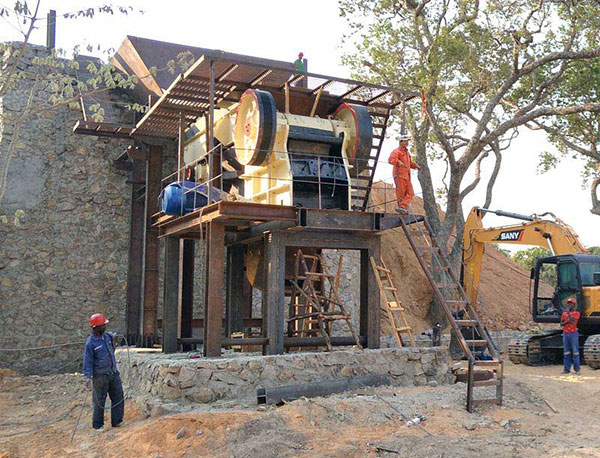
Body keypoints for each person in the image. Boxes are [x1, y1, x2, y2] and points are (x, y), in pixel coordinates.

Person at [82, 313, 125, 429]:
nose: (105, 327)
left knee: (118, 397)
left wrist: (115, 342)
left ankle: (117, 421)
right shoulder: (90, 343)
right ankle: (98, 425)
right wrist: (87, 377)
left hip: (113, 373)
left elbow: (111, 350)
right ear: (96, 327)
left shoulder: (107, 337)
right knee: (99, 401)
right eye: (103, 325)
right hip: (100, 376)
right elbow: (88, 361)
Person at [388, 135, 420, 214]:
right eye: (405, 141)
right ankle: (401, 208)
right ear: (401, 142)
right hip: (399, 175)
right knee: (401, 193)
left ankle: (402, 207)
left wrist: (416, 166)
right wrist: (398, 162)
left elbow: (410, 163)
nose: (407, 143)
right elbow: (391, 159)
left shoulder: (407, 153)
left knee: (410, 193)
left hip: (407, 176)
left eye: (407, 141)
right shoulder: (396, 151)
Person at [560, 297, 580, 375]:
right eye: (568, 304)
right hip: (566, 334)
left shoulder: (577, 313)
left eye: (571, 304)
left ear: (574, 305)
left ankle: (577, 369)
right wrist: (567, 321)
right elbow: (561, 323)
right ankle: (566, 369)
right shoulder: (563, 314)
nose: (569, 305)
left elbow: (573, 321)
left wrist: (567, 316)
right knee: (566, 353)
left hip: (573, 334)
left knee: (575, 352)